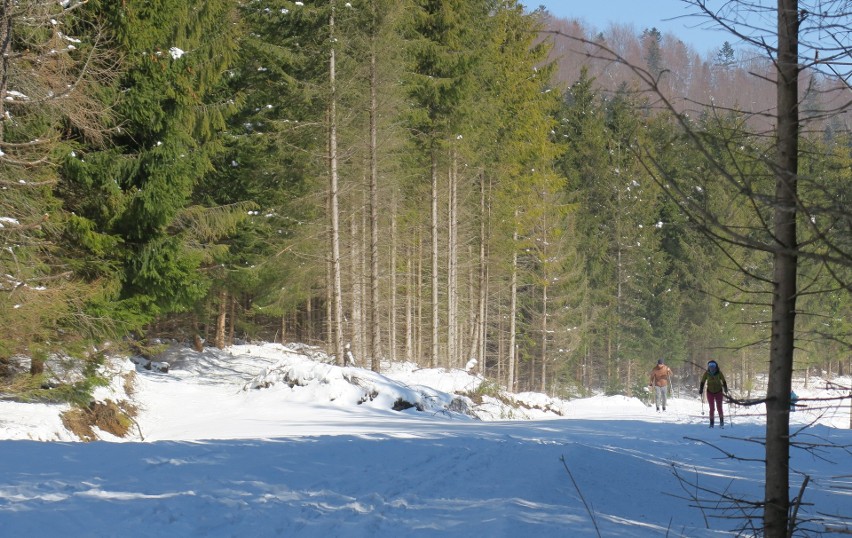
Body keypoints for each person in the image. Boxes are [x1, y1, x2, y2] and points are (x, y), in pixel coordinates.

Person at [699, 360, 729, 428]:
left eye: (713, 365)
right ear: (708, 366)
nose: (712, 367)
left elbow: (724, 381)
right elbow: (702, 381)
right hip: (710, 392)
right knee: (712, 408)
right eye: (710, 365)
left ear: (716, 366)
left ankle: (721, 422)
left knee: (719, 407)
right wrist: (701, 389)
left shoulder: (719, 373)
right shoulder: (707, 373)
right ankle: (711, 423)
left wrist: (725, 388)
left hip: (719, 392)